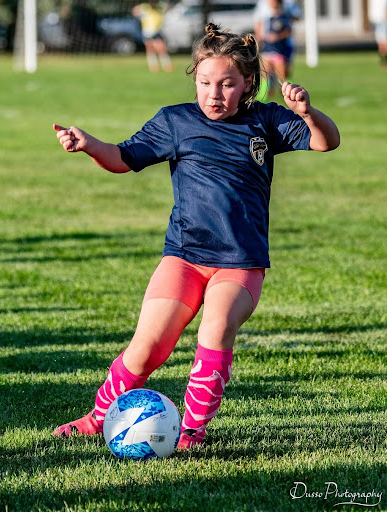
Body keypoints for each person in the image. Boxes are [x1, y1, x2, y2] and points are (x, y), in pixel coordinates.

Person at [52, 23, 339, 450]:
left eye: (227, 84)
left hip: (240, 262)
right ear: (195, 79)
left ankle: (191, 433)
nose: (214, 94)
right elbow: (123, 157)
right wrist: (89, 143)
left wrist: (307, 112)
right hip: (185, 257)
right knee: (148, 346)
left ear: (248, 84)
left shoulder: (266, 120)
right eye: (205, 83)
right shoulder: (176, 121)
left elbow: (326, 141)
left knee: (216, 328)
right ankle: (98, 418)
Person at [132, 0, 173, 72]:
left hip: (156, 32)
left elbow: (169, 8)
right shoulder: (145, 8)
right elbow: (134, 11)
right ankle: (154, 66)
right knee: (151, 50)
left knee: (161, 48)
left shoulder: (159, 8)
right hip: (147, 32)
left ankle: (166, 65)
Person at [369, 0, 387, 68]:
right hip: (376, 21)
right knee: (381, 44)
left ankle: (384, 62)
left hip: (382, 21)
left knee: (383, 43)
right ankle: (383, 62)